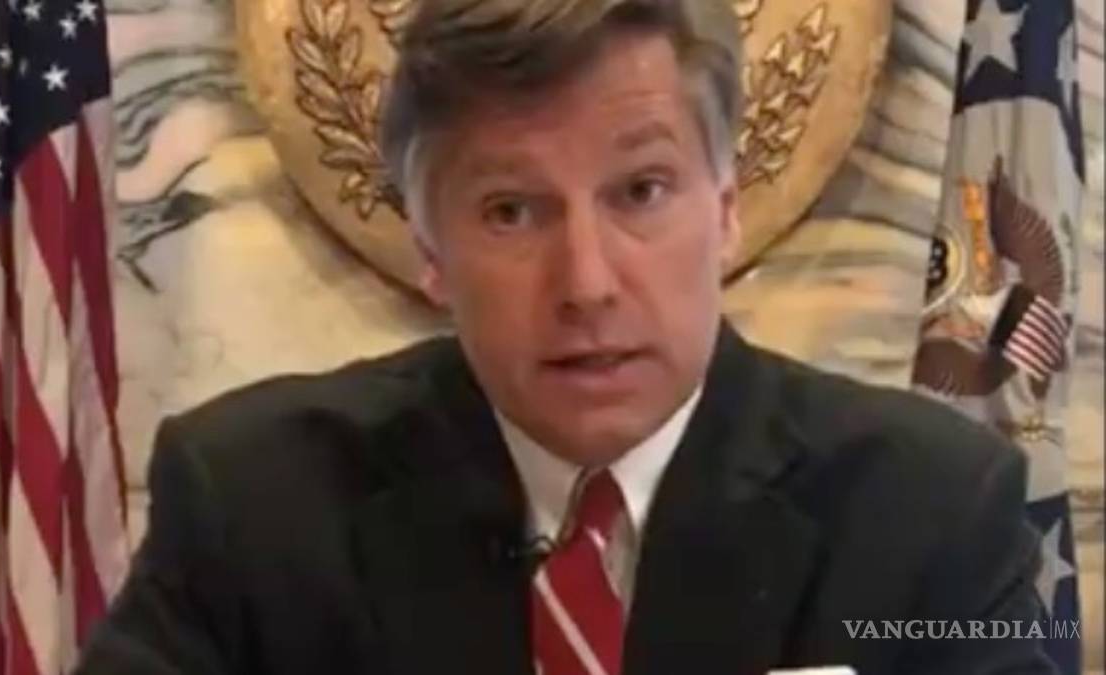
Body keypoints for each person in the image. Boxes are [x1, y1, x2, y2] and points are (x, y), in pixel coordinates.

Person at [77, 0, 1058, 673]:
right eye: (511, 211)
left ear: (724, 210)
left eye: (641, 191)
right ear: (429, 250)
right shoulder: (250, 507)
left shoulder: (931, 511)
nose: (586, 282)